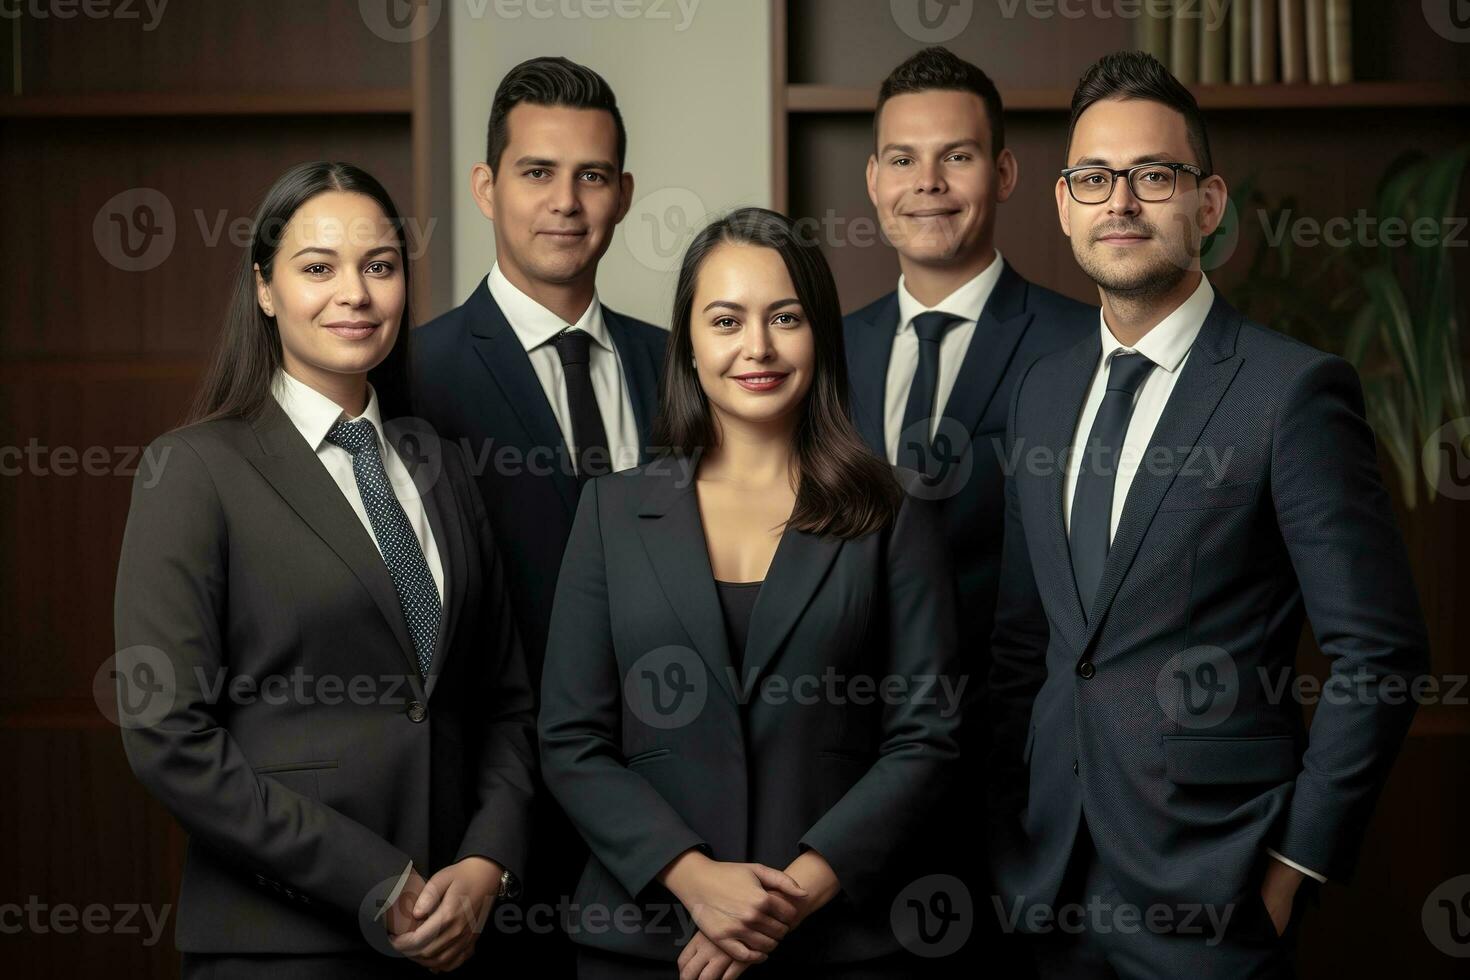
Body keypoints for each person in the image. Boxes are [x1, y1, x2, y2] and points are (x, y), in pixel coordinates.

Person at [986, 51, 1429, 978]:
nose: (1121, 203)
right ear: (1063, 205)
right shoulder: (1041, 393)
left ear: (1209, 204)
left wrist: (1292, 866)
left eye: (1153, 176)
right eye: (1093, 179)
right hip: (1047, 885)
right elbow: (1034, 641)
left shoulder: (1290, 392)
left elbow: (1378, 654)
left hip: (1215, 890)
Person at [113, 162, 537, 979]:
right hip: (283, 941)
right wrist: (374, 881)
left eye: (380, 266)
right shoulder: (194, 470)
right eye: (319, 268)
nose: (357, 293)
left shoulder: (440, 464)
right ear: (265, 288)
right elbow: (168, 736)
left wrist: (487, 864)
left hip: (457, 940)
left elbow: (507, 705)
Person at [539, 208, 962, 978]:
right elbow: (572, 740)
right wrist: (696, 882)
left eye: (785, 318)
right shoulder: (611, 510)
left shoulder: (897, 512)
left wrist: (784, 900)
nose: (756, 347)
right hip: (644, 943)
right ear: (690, 346)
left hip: (841, 943)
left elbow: (925, 739)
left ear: (820, 337)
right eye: (726, 320)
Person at [841, 45, 1094, 971]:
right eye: (903, 158)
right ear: (872, 179)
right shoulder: (821, 354)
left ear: (1007, 172)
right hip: (849, 793)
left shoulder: (1084, 342)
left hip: (1025, 795)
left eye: (959, 156)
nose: (929, 183)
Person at [412, 58, 666, 970]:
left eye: (591, 175)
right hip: (489, 828)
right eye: (537, 172)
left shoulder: (680, 368)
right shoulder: (413, 376)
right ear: (486, 187)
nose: (566, 201)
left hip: (667, 820)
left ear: (624, 193)